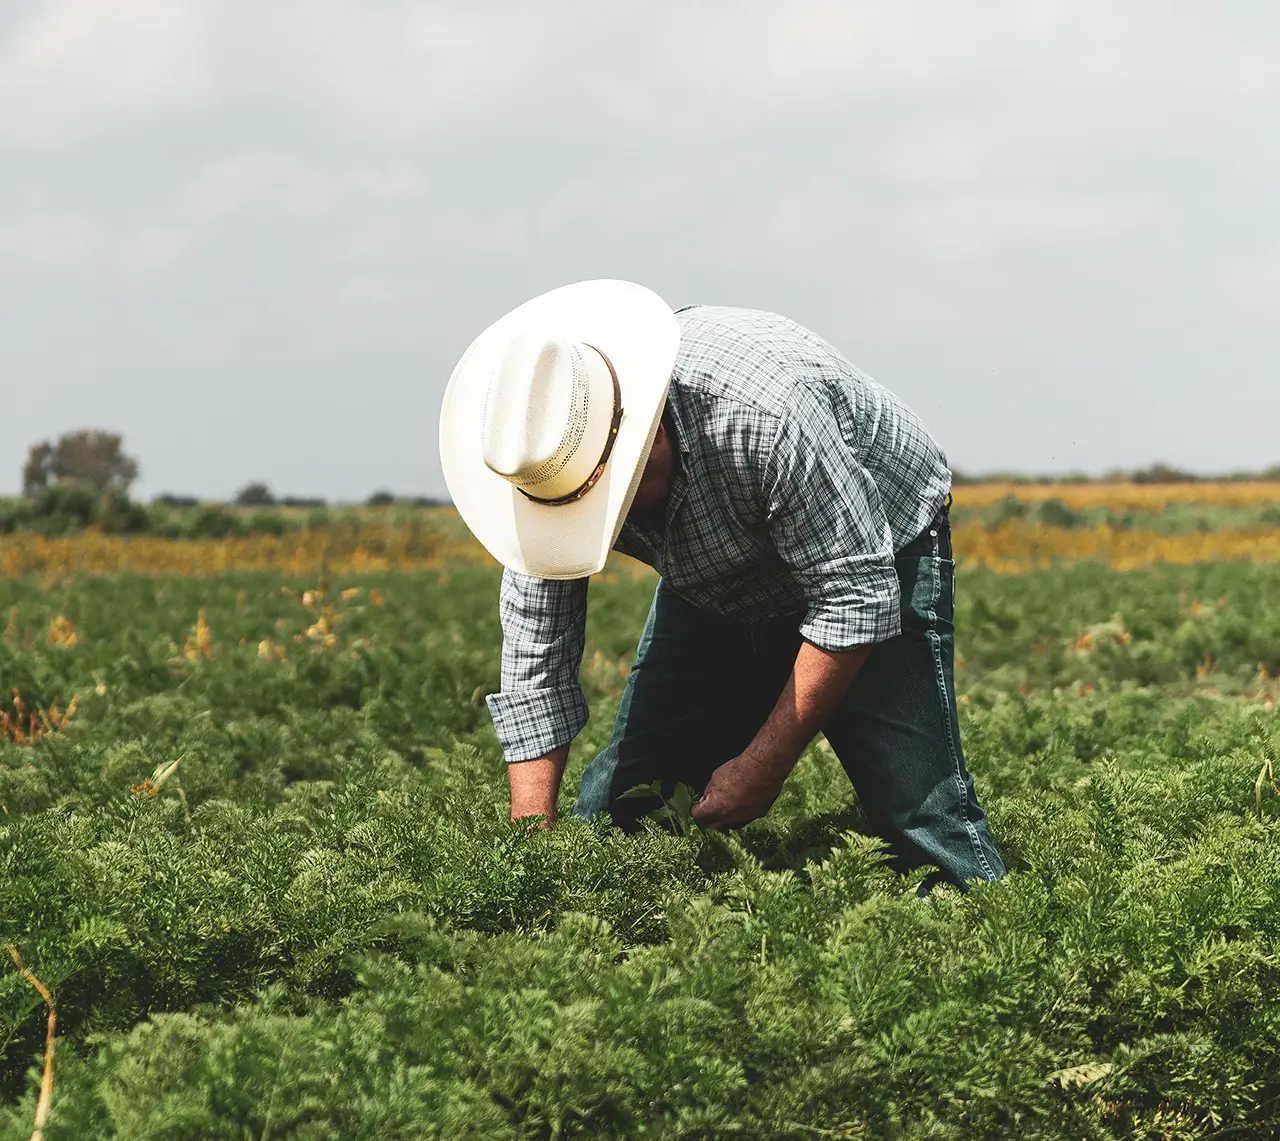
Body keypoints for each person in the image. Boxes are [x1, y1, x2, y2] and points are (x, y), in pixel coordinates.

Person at [439, 280, 1005, 890]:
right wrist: (532, 852)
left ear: (647, 430)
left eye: (615, 494)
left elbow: (854, 598)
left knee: (918, 809)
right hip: (713, 574)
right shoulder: (539, 460)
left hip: (879, 543)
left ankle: (984, 919)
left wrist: (766, 763)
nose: (613, 515)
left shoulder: (766, 417)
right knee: (624, 812)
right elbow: (535, 663)